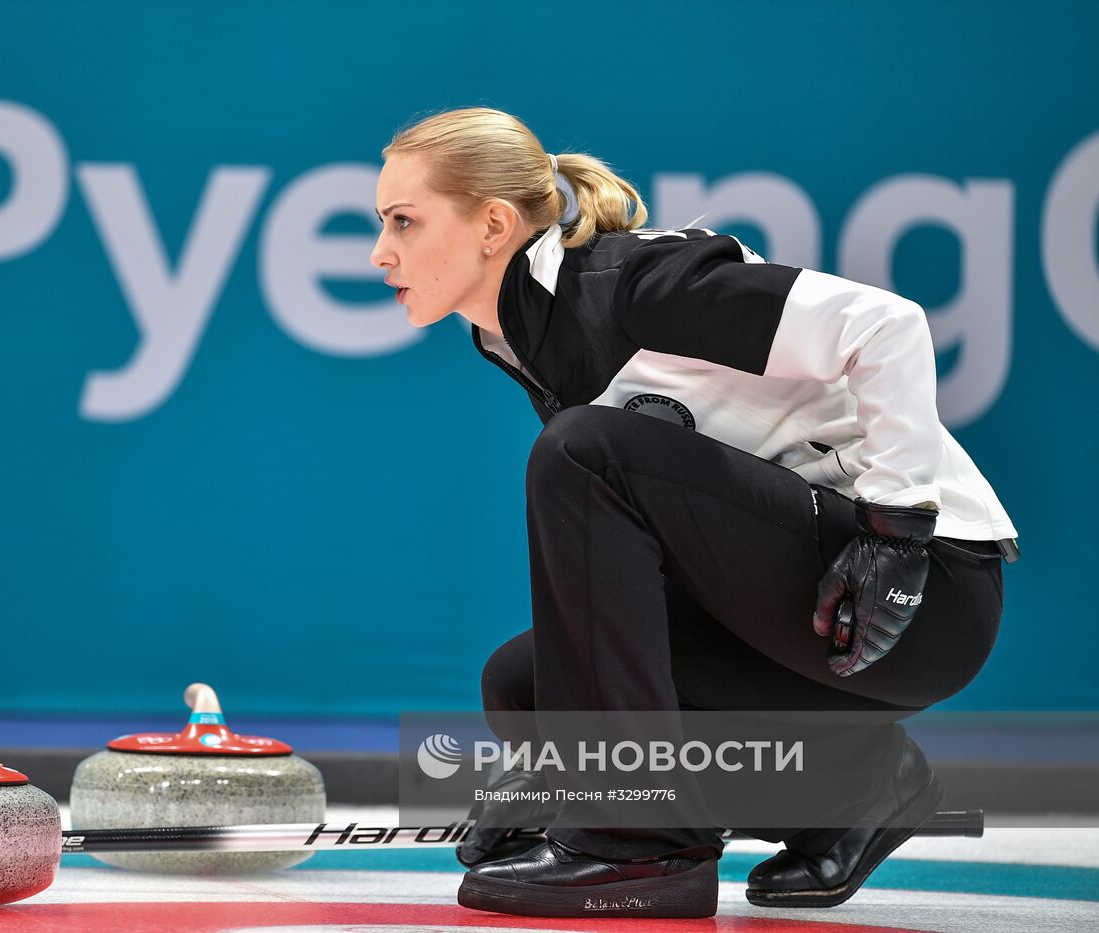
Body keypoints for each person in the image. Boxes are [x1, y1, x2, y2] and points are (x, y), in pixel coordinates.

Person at [369, 108, 1017, 920]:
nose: (379, 251)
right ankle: (851, 792)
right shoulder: (520, 334)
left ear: (493, 224)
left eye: (403, 220)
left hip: (923, 595)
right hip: (810, 608)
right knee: (528, 687)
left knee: (585, 451)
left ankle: (639, 846)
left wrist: (895, 533)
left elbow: (889, 327)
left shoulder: (632, 284)